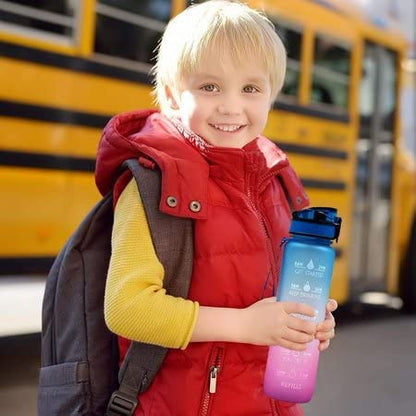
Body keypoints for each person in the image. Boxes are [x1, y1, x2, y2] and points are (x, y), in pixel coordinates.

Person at [95, 1, 337, 415]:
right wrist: (245, 326)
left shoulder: (276, 181)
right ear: (171, 94)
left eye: (251, 88)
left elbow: (274, 299)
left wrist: (304, 324)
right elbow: (127, 308)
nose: (230, 106)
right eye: (209, 87)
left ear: (271, 95)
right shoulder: (153, 184)